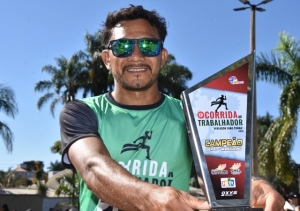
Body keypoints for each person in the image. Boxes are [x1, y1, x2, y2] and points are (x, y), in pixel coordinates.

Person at [59, 4, 285, 211]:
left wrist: (253, 187)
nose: (136, 56)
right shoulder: (81, 111)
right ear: (107, 59)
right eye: (123, 46)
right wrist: (152, 197)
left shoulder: (191, 115)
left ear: (162, 57)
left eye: (148, 45)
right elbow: (92, 167)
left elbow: (219, 175)